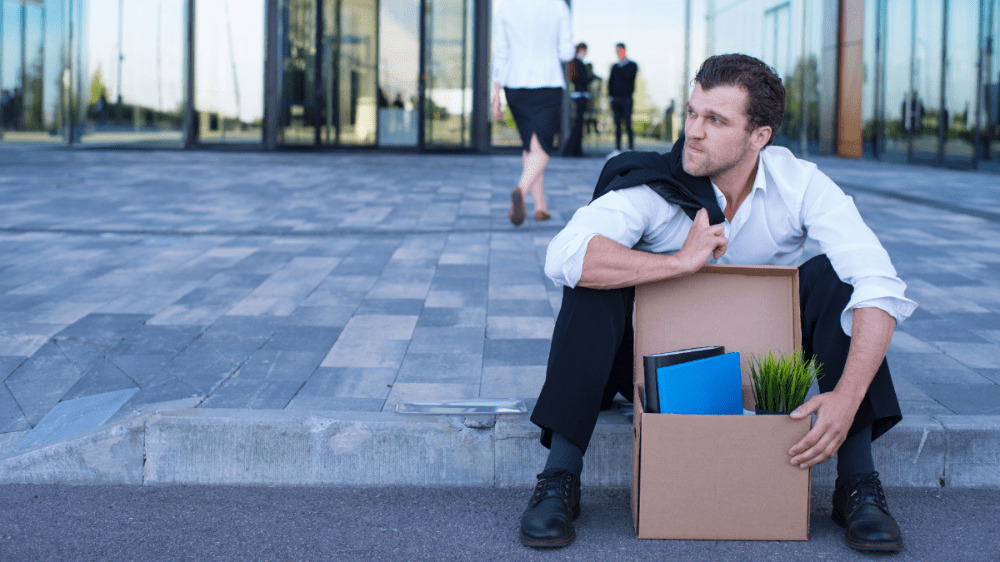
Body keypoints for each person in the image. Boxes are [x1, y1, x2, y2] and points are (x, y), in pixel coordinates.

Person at [518, 54, 916, 553]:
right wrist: (678, 263)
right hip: (649, 365)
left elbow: (880, 284)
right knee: (593, 278)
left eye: (715, 120)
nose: (693, 132)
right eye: (691, 113)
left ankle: (857, 484)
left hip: (756, 365)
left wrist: (846, 396)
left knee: (836, 278)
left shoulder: (801, 185)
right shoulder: (652, 186)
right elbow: (565, 254)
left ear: (760, 137)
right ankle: (560, 477)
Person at [491, 0, 574, 225]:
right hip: (547, 82)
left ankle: (540, 206)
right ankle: (520, 190)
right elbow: (566, 52)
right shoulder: (559, 6)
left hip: (515, 85)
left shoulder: (506, 7)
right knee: (543, 150)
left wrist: (496, 95)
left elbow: (501, 51)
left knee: (531, 146)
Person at [562, 43, 593, 157]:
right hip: (580, 95)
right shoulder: (578, 63)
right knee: (578, 125)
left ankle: (575, 150)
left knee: (578, 125)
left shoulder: (576, 63)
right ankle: (572, 150)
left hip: (578, 95)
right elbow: (583, 79)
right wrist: (591, 76)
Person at [608, 43, 638, 152]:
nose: (618, 53)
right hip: (616, 99)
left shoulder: (632, 65)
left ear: (624, 50)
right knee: (617, 124)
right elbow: (610, 82)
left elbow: (628, 77)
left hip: (626, 99)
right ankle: (617, 148)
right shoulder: (614, 67)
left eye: (620, 50)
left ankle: (630, 147)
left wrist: (622, 65)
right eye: (616, 51)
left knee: (628, 123)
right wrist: (610, 96)